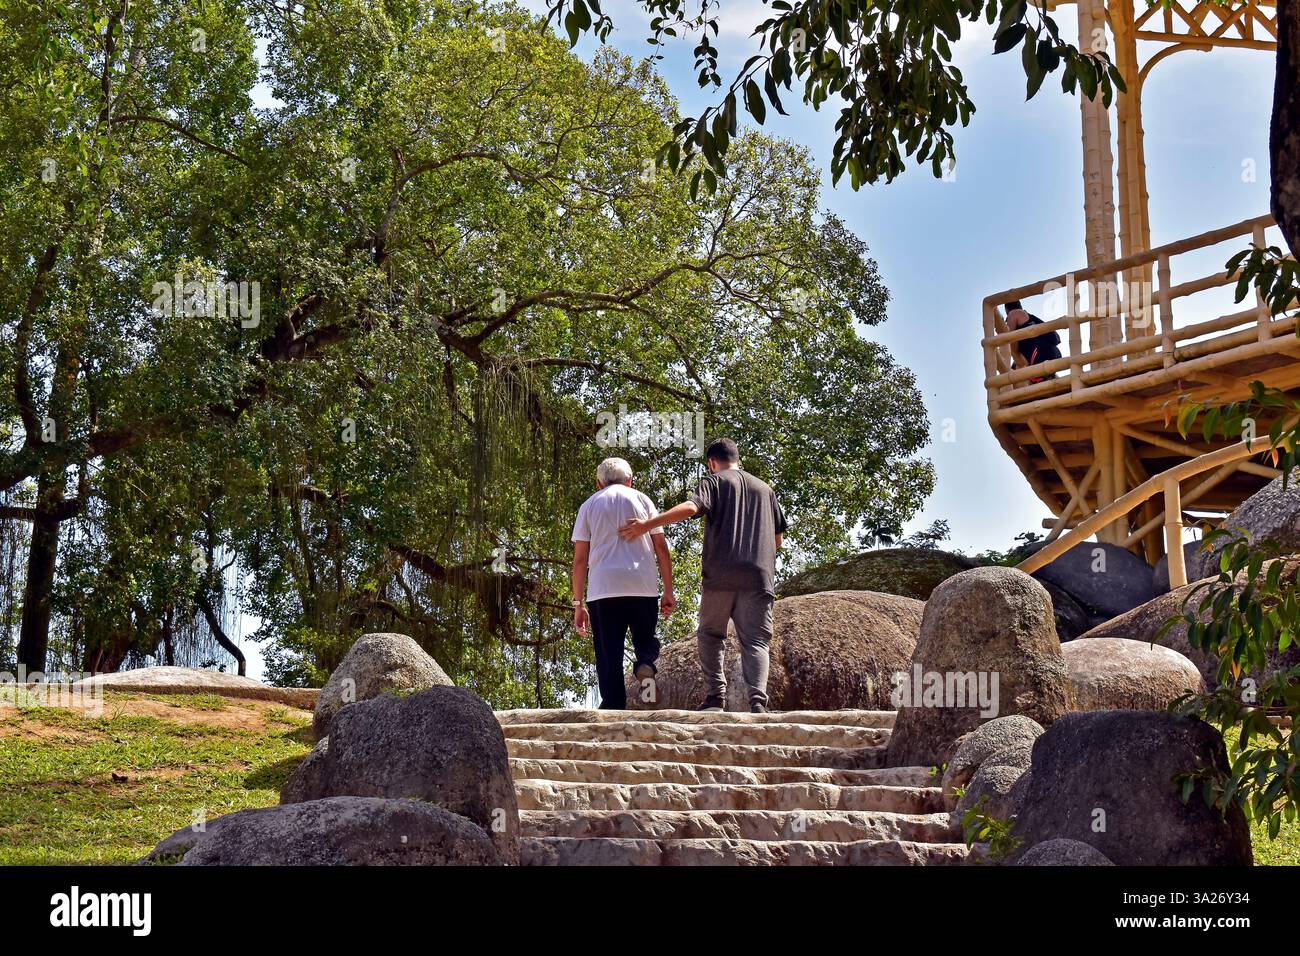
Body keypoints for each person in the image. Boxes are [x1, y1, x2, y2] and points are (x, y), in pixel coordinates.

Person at [618, 438, 786, 714]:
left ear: (712, 463)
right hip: (758, 578)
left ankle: (715, 698)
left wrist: (647, 524)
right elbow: (777, 540)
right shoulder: (766, 490)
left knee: (710, 634)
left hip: (720, 576)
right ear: (737, 457)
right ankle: (758, 702)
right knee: (755, 641)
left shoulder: (715, 481)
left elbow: (690, 508)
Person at [571, 457, 675, 709]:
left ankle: (613, 706)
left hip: (604, 589)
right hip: (643, 585)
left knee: (609, 654)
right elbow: (661, 548)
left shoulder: (589, 505)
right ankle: (646, 671)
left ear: (599, 483)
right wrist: (669, 591)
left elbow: (580, 560)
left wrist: (578, 603)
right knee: (645, 641)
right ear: (630, 480)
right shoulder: (642, 500)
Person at [1004, 299, 1062, 383]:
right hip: (1052, 352)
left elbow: (1012, 344)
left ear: (1006, 310)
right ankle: (1046, 377)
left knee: (1023, 370)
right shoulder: (1028, 317)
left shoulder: (1013, 314)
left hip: (1040, 353)